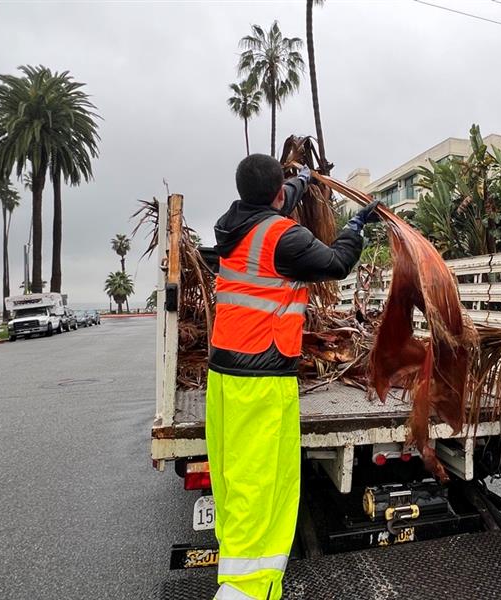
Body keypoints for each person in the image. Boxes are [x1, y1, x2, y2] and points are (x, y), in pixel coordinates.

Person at [206, 154, 380, 600]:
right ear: (278, 195)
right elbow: (337, 263)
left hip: (225, 377)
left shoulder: (231, 224)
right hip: (261, 381)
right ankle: (242, 589)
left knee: (233, 478)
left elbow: (276, 205)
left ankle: (241, 569)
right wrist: (356, 228)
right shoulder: (284, 237)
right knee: (260, 484)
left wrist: (302, 179)